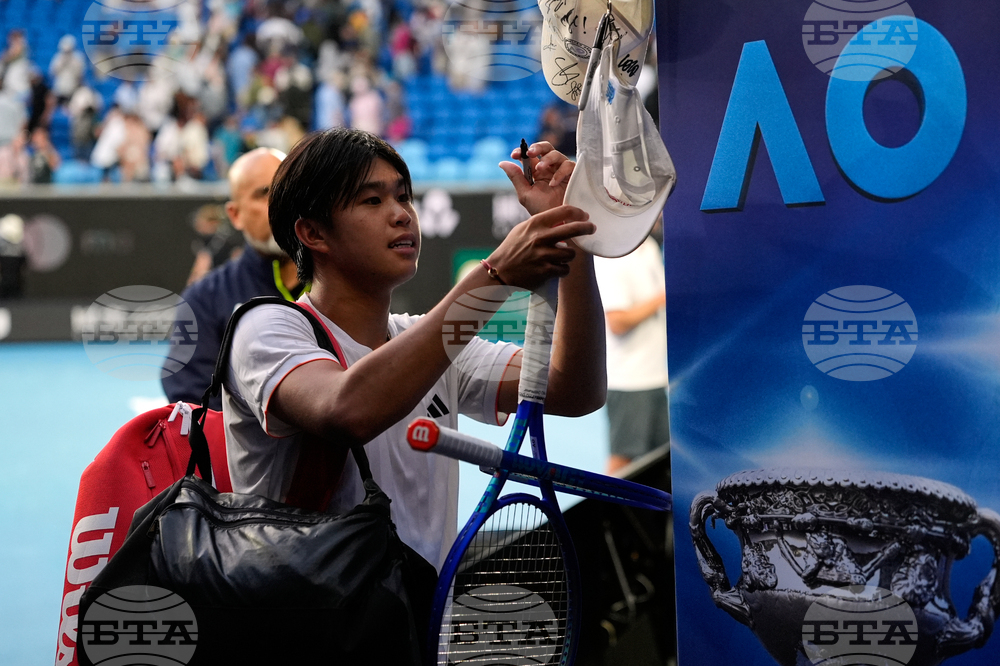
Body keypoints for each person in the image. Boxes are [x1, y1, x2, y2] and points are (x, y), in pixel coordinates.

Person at [222, 128, 605, 569]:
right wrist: (494, 276)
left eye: (403, 197)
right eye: (372, 201)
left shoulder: (429, 342)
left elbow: (575, 389)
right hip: (314, 634)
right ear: (312, 232)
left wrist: (571, 234)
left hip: (420, 630)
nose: (402, 215)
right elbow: (347, 409)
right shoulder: (265, 327)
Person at [162, 147, 305, 410]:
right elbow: (192, 404)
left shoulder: (342, 280)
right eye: (264, 193)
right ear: (235, 214)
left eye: (289, 190)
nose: (281, 203)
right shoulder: (203, 299)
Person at [593, 218, 669, 474]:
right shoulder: (613, 256)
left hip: (656, 378)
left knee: (661, 459)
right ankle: (606, 515)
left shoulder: (647, 247)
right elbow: (618, 322)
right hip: (629, 381)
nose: (660, 217)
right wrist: (661, 299)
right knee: (622, 461)